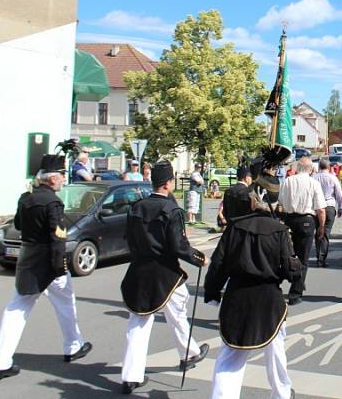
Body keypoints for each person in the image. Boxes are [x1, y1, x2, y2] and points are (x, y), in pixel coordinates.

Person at [0, 155, 92, 382]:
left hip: (27, 260)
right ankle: (73, 346)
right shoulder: (53, 203)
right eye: (63, 175)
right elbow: (57, 238)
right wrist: (59, 267)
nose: (65, 179)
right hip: (49, 263)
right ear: (53, 179)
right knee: (66, 303)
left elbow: (18, 225)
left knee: (16, 310)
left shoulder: (26, 198)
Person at [120, 161, 209, 394]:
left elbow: (128, 239)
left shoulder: (136, 207)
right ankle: (189, 354)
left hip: (139, 271)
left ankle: (131, 377)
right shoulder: (172, 211)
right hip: (165, 273)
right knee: (178, 312)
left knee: (138, 324)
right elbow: (178, 246)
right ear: (169, 183)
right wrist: (199, 258)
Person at [204, 191, 299, 399]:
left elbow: (218, 265)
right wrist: (296, 278)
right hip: (268, 297)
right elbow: (290, 269)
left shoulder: (233, 229)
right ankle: (282, 394)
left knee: (230, 356)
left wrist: (212, 291)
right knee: (275, 352)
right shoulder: (279, 229)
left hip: (237, 295)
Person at [278, 156, 326, 305]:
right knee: (303, 258)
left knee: (288, 254)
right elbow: (321, 209)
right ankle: (295, 293)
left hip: (290, 219)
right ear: (311, 169)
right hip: (306, 220)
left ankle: (293, 281)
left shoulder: (288, 181)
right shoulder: (313, 183)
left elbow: (280, 203)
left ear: (298, 168)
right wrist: (322, 227)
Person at [313, 159, 342, 268]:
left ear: (319, 167)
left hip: (317, 207)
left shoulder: (314, 177)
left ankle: (318, 256)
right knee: (326, 233)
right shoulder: (333, 178)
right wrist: (341, 208)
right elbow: (339, 194)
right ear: (328, 167)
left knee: (318, 231)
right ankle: (322, 258)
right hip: (329, 206)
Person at [220, 166, 254, 230]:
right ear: (246, 178)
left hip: (230, 226)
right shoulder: (249, 192)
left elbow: (225, 210)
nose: (251, 179)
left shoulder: (228, 191)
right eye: (251, 177)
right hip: (244, 227)